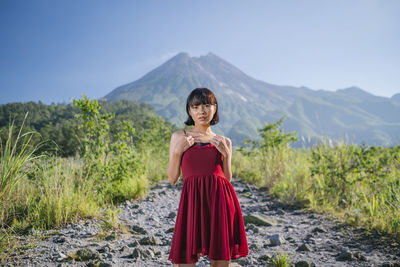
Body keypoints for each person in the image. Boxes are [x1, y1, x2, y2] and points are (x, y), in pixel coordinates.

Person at [167, 88, 249, 267]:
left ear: (215, 108)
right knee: (184, 260)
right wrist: (177, 152)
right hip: (192, 202)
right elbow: (172, 178)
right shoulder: (180, 136)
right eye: (195, 107)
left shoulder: (224, 141)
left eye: (206, 105)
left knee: (221, 260)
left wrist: (226, 156)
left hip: (221, 202)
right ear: (189, 111)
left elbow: (227, 178)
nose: (201, 111)